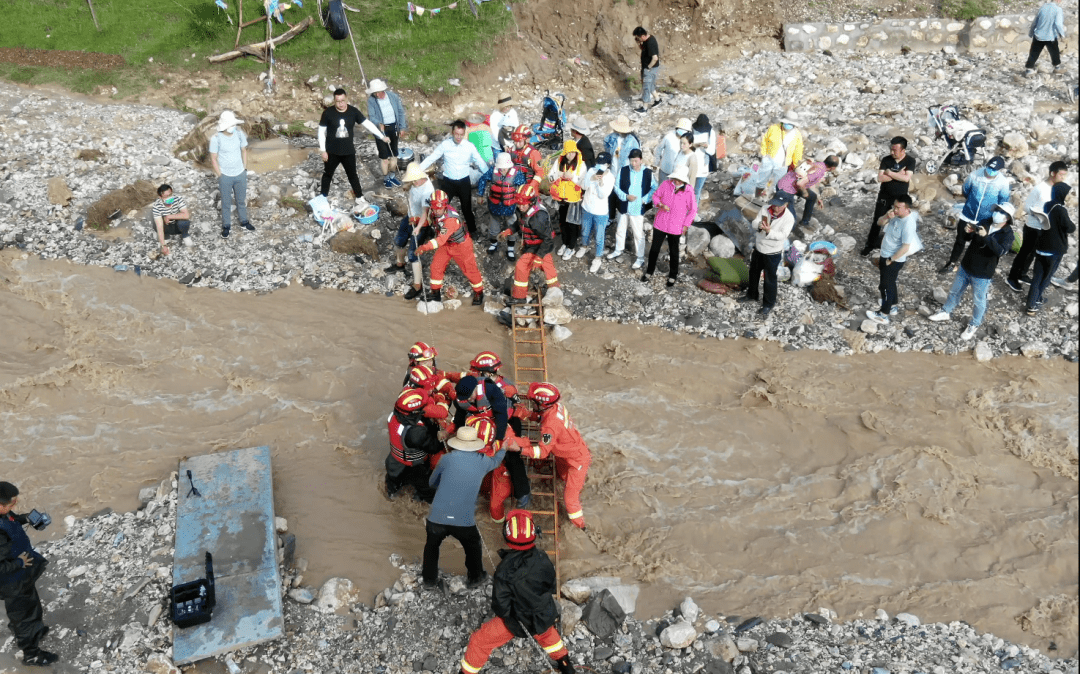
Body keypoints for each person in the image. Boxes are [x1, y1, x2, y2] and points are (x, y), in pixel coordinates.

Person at [458, 510, 575, 674]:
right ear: (534, 533)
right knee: (549, 637)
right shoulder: (542, 558)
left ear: (507, 536)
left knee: (479, 641)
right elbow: (549, 584)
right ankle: (566, 665)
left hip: (517, 622)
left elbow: (501, 606)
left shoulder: (504, 569)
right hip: (542, 615)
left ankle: (466, 672)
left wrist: (515, 613)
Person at [423, 426, 506, 588]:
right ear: (475, 444)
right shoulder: (483, 461)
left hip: (436, 518)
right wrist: (503, 449)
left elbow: (431, 483)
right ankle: (476, 577)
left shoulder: (446, 459)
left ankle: (429, 581)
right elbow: (496, 461)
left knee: (431, 546)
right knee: (473, 545)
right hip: (463, 521)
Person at [508, 383, 592, 530]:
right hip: (568, 452)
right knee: (562, 476)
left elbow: (542, 452)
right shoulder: (556, 407)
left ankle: (582, 527)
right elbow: (544, 418)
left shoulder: (550, 427)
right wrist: (529, 415)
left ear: (542, 404)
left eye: (534, 402)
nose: (532, 403)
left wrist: (520, 449)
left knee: (570, 500)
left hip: (576, 461)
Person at [929, 203, 1016, 340]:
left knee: (979, 301)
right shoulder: (985, 221)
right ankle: (946, 311)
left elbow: (1000, 251)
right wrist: (968, 232)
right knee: (954, 291)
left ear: (1007, 218)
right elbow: (970, 238)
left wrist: (986, 237)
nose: (997, 213)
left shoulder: (1008, 235)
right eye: (997, 210)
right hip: (966, 265)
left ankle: (974, 324)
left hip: (983, 273)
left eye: (1001, 212)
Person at [0, 482, 58, 666]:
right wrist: (19, 562)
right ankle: (31, 654)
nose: (13, 507)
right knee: (23, 616)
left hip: (22, 576)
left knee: (32, 604)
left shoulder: (4, 513)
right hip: (12, 581)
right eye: (10, 505)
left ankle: (35, 630)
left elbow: (12, 519)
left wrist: (26, 518)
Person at [940, 155, 1011, 274]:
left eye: (994, 170)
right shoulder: (975, 175)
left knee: (979, 243)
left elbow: (1003, 201)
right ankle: (951, 263)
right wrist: (971, 203)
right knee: (960, 240)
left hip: (985, 219)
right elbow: (966, 190)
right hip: (968, 214)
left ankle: (970, 267)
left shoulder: (1003, 183)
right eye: (989, 168)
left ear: (999, 170)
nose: (990, 172)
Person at [415, 190, 486, 305]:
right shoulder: (434, 211)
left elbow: (440, 240)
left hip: (461, 246)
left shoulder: (450, 220)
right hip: (447, 244)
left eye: (439, 208)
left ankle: (479, 292)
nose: (437, 211)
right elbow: (430, 221)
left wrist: (424, 247)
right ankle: (435, 293)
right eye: (434, 208)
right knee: (436, 266)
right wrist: (417, 221)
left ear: (445, 206)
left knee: (469, 269)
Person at [420, 120, 490, 237]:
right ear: (452, 132)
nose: (459, 137)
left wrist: (489, 174)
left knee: (466, 208)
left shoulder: (469, 146)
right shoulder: (445, 145)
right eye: (456, 134)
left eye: (461, 134)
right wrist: (418, 169)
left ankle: (472, 230)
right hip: (448, 182)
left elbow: (480, 161)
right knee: (440, 207)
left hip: (464, 181)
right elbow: (432, 157)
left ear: (464, 133)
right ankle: (434, 229)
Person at [1007, 160, 1068, 292]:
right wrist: (1040, 215)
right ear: (1053, 173)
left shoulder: (1056, 189)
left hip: (1044, 229)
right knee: (1024, 253)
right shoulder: (1040, 188)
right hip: (1033, 227)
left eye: (1065, 175)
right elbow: (1027, 207)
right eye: (1061, 175)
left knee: (1032, 254)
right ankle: (1012, 277)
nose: (1063, 178)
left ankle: (1022, 274)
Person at [319, 88, 389, 203]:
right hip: (331, 151)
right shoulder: (328, 113)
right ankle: (323, 197)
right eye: (338, 101)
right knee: (328, 174)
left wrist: (381, 136)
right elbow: (321, 131)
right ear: (334, 101)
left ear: (346, 99)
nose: (341, 104)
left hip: (348, 151)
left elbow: (368, 124)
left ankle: (359, 197)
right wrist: (323, 150)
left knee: (352, 174)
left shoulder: (353, 111)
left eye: (343, 100)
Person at [867, 194, 923, 325]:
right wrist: (887, 216)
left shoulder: (908, 224)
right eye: (894, 206)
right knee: (890, 283)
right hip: (885, 254)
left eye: (898, 207)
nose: (895, 209)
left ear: (907, 208)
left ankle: (883, 315)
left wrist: (891, 259)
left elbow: (905, 247)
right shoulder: (894, 215)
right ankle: (892, 306)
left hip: (893, 259)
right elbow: (879, 222)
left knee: (885, 286)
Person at [501, 183, 561, 304]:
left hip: (539, 245)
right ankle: (555, 292)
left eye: (523, 204)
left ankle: (519, 297)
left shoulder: (537, 218)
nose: (520, 206)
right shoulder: (524, 210)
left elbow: (548, 239)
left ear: (531, 202)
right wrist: (509, 230)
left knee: (521, 267)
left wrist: (538, 257)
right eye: (519, 204)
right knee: (548, 268)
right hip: (533, 244)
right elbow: (520, 223)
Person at [738, 192, 795, 318]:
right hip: (759, 248)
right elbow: (755, 221)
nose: (776, 207)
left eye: (779, 205)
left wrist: (769, 231)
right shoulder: (765, 208)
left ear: (786, 204)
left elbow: (782, 236)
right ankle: (751, 295)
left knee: (770, 279)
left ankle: (768, 303)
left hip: (772, 252)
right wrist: (759, 225)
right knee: (753, 272)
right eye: (774, 204)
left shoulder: (789, 218)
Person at [641, 165, 696, 287]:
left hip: (676, 226)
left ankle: (673, 275)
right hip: (660, 223)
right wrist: (660, 204)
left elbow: (693, 210)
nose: (676, 181)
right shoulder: (666, 184)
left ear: (684, 180)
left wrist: (686, 225)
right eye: (675, 178)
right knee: (654, 249)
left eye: (679, 179)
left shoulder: (689, 191)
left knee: (674, 251)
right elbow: (655, 196)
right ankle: (649, 271)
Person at [860, 136, 916, 256]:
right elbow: (880, 178)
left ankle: (896, 248)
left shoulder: (910, 161)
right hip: (884, 198)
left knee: (899, 223)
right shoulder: (886, 159)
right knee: (877, 221)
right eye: (891, 149)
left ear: (903, 150)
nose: (892, 152)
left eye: (895, 150)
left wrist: (889, 173)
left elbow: (906, 178)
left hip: (900, 200)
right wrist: (898, 174)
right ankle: (870, 245)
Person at [385, 389, 444, 501]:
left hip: (393, 463)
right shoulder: (415, 433)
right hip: (414, 467)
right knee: (428, 494)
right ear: (414, 413)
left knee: (392, 491)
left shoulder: (394, 416)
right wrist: (439, 433)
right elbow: (434, 447)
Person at [388, 163, 435, 300]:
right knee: (399, 240)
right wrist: (407, 186)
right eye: (411, 180)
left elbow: (425, 214)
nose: (413, 182)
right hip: (410, 216)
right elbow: (412, 184)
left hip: (421, 221)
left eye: (414, 180)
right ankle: (399, 264)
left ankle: (417, 285)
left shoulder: (427, 191)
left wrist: (419, 228)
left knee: (413, 253)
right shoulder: (418, 179)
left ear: (421, 177)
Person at [1026, 182, 1074, 316]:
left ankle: (1032, 302)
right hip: (1054, 250)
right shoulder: (1061, 210)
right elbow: (1070, 228)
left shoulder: (1047, 205)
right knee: (1046, 278)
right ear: (1062, 195)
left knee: (1037, 277)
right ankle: (1035, 303)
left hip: (1042, 247)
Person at [209, 110, 252, 239]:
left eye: (233, 124)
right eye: (231, 125)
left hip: (240, 174)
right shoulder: (215, 138)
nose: (233, 127)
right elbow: (213, 158)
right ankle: (226, 225)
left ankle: (244, 221)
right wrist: (219, 174)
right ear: (224, 126)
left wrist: (244, 168)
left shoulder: (239, 134)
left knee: (241, 200)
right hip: (225, 176)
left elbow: (244, 150)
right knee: (226, 202)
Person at [609, 148, 656, 269]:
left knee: (638, 233)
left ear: (640, 160)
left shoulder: (648, 172)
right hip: (624, 205)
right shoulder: (623, 170)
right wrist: (625, 196)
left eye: (635, 161)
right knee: (620, 228)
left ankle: (640, 257)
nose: (633, 164)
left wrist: (645, 199)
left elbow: (654, 188)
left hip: (637, 207)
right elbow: (616, 186)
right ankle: (618, 249)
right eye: (631, 161)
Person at [478, 153, 526, 260]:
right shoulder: (493, 171)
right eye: (501, 168)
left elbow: (524, 187)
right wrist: (480, 194)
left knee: (511, 228)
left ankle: (510, 249)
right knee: (493, 228)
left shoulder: (517, 174)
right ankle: (493, 244)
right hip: (494, 206)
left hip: (510, 208)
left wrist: (523, 202)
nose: (502, 170)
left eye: (505, 168)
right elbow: (482, 179)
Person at [775, 156, 841, 229]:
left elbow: (811, 184)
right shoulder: (819, 171)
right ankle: (783, 229)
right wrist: (804, 193)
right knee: (791, 218)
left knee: (812, 197)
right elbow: (800, 183)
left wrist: (818, 198)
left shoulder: (819, 164)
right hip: (785, 188)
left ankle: (805, 222)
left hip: (791, 184)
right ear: (833, 168)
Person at [365, 79, 408, 188]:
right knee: (384, 157)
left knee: (394, 155)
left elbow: (400, 112)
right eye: (374, 93)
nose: (376, 95)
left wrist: (402, 127)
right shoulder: (372, 100)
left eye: (378, 92)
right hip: (381, 130)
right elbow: (372, 116)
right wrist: (378, 123)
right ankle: (386, 178)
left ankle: (392, 176)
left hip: (393, 127)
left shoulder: (393, 96)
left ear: (383, 90)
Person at [549, 140, 586, 260]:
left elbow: (584, 184)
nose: (571, 155)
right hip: (561, 199)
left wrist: (573, 178)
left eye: (573, 153)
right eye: (569, 153)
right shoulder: (559, 162)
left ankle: (571, 247)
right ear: (564, 152)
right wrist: (559, 174)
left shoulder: (581, 165)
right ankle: (565, 243)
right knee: (563, 222)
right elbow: (550, 177)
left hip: (574, 200)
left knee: (572, 225)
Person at [580, 152, 616, 273]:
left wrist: (600, 183)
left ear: (608, 165)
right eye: (598, 163)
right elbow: (584, 187)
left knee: (599, 236)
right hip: (587, 207)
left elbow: (603, 195)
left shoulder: (610, 178)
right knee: (585, 231)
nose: (599, 166)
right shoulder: (591, 171)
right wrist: (591, 179)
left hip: (600, 212)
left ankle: (598, 257)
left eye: (602, 164)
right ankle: (584, 246)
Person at [758, 111, 804, 197]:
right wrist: (764, 155)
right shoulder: (774, 128)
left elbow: (798, 150)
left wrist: (795, 163)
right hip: (769, 158)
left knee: (777, 183)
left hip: (783, 163)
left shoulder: (797, 134)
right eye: (786, 123)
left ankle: (771, 199)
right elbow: (765, 141)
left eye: (790, 124)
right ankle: (757, 195)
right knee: (762, 179)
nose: (787, 125)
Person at [605, 115, 642, 217]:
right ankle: (611, 216)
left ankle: (622, 214)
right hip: (613, 170)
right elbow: (606, 144)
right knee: (611, 194)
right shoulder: (613, 137)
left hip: (625, 172)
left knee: (623, 193)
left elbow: (636, 158)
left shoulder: (632, 141)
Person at [1025, 0, 1066, 75]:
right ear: (1058, 1)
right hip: (1050, 36)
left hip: (1038, 35)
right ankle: (1057, 68)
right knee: (1054, 52)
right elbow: (1058, 24)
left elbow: (1035, 22)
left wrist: (1031, 33)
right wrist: (1062, 35)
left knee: (1034, 53)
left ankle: (1029, 70)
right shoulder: (1058, 9)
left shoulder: (1042, 8)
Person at [151, 183, 192, 254]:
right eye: (167, 196)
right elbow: (159, 227)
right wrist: (163, 245)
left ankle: (185, 235)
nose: (170, 198)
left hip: (177, 223)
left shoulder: (178, 199)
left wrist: (169, 216)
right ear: (160, 197)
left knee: (184, 222)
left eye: (170, 195)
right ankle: (166, 237)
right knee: (155, 223)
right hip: (166, 224)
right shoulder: (156, 206)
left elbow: (186, 215)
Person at [633, 26, 661, 113]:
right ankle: (657, 99)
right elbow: (644, 50)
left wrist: (648, 68)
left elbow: (655, 58)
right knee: (651, 85)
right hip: (652, 68)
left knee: (646, 88)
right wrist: (639, 44)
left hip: (650, 69)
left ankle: (644, 108)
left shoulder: (650, 43)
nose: (637, 39)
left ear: (642, 36)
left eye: (638, 37)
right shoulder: (648, 39)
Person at [507, 125, 546, 190]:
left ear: (527, 140)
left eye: (519, 141)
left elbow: (540, 172)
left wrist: (531, 186)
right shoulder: (511, 150)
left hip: (529, 185)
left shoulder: (533, 153)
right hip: (513, 183)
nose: (517, 144)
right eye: (515, 141)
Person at [655, 118, 692, 184]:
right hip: (665, 170)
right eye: (681, 129)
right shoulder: (669, 137)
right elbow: (659, 149)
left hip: (678, 175)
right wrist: (656, 162)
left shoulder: (688, 141)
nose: (682, 132)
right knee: (662, 190)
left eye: (684, 130)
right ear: (677, 128)